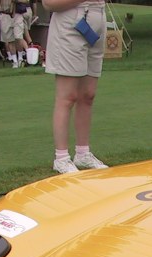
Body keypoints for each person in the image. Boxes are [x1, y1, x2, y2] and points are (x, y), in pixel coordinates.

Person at [43, 0, 109, 173]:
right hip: (71, 22)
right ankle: (62, 157)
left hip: (97, 17)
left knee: (88, 94)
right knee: (68, 96)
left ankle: (83, 153)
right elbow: (49, 3)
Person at [0, 0, 25, 68]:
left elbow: (26, 1)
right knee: (9, 39)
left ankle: (20, 58)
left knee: (18, 37)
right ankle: (15, 61)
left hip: (17, 14)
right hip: (4, 14)